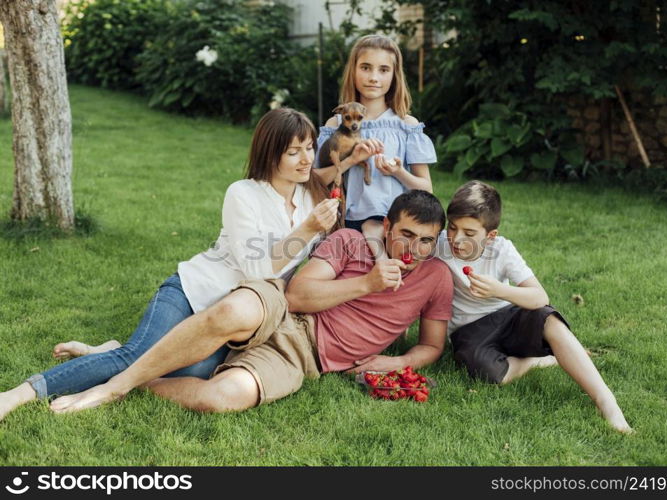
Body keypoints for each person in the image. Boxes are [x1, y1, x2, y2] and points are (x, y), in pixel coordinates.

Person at [0, 107, 340, 421]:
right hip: (194, 292)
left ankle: (107, 351)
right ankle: (19, 394)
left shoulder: (310, 197)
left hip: (230, 316)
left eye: (309, 147)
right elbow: (257, 272)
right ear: (270, 153)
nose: (306, 159)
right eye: (293, 151)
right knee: (135, 359)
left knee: (189, 372)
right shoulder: (243, 194)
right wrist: (306, 229)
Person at [45, 190, 453, 413]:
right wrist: (366, 283)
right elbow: (296, 295)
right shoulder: (349, 242)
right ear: (387, 227)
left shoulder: (437, 278)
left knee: (220, 396)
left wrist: (397, 362)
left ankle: (135, 370)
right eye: (405, 235)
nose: (412, 250)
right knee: (231, 311)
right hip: (284, 314)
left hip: (303, 356)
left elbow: (432, 345)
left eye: (425, 241)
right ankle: (113, 386)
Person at [437, 180, 633, 433]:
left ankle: (606, 401)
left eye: (469, 233)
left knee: (548, 318)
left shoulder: (502, 249)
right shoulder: (438, 244)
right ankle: (539, 361)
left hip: (507, 317)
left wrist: (500, 290)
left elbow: (540, 297)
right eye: (452, 227)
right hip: (469, 331)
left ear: (490, 236)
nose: (457, 238)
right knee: (487, 373)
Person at [314, 34, 436, 261]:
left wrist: (398, 172)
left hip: (394, 225)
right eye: (366, 68)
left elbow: (426, 188)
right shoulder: (335, 125)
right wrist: (349, 161)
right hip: (344, 221)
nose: (373, 77)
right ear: (354, 70)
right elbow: (315, 180)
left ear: (394, 75)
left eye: (383, 70)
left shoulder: (405, 126)